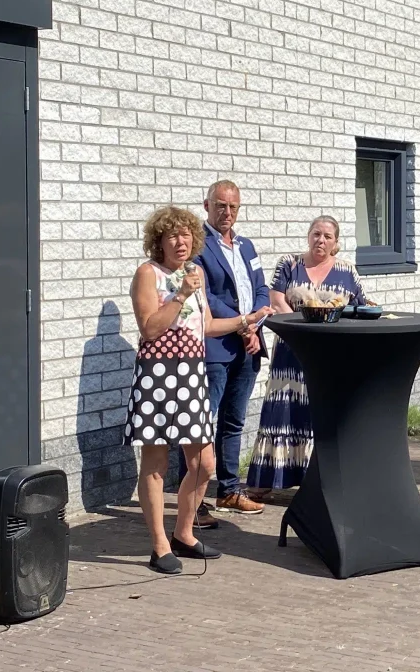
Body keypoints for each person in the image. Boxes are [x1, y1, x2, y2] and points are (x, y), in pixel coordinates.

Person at [125, 206, 272, 574]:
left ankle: (184, 533)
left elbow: (204, 325)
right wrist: (178, 296)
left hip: (191, 374)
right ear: (158, 240)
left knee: (204, 463)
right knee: (156, 465)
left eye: (186, 235)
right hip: (158, 375)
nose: (181, 241)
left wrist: (244, 322)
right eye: (172, 235)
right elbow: (149, 328)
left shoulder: (196, 273)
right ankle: (159, 546)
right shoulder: (149, 274)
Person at [246, 215, 370, 494]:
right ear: (308, 235)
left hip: (328, 357)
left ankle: (318, 483)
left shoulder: (347, 270)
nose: (321, 240)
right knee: (282, 411)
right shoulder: (289, 264)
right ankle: (267, 480)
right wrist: (299, 331)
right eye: (316, 234)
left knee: (319, 414)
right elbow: (275, 297)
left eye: (327, 236)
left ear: (336, 243)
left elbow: (362, 304)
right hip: (290, 353)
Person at [178, 181, 270, 524]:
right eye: (220, 206)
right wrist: (242, 324)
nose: (227, 213)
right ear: (207, 205)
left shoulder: (246, 245)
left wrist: (254, 326)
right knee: (201, 424)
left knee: (233, 420)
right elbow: (207, 298)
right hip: (216, 347)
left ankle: (229, 490)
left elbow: (260, 289)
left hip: (249, 345)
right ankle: (193, 502)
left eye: (233, 207)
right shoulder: (198, 247)